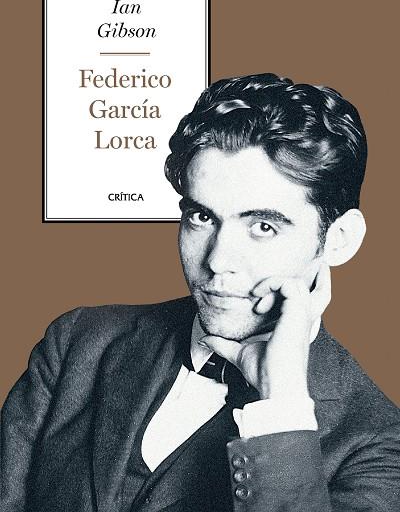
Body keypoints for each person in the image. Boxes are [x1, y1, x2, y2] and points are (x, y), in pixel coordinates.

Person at [1, 73, 399, 512]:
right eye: (202, 217)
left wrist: (281, 405)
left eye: (263, 226)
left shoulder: (379, 445)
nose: (217, 260)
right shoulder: (79, 342)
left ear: (339, 240)